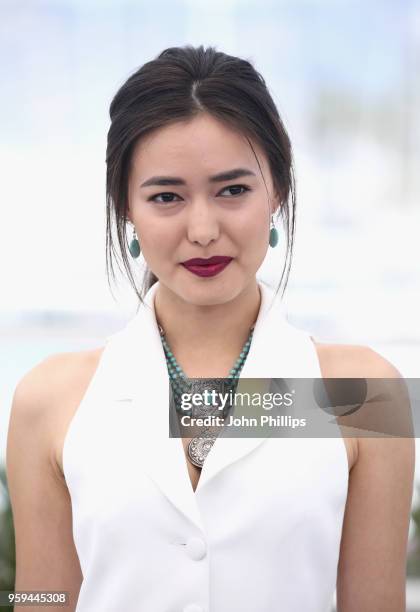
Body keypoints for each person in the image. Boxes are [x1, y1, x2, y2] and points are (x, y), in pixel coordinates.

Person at [6, 45, 415, 612]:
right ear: (126, 206)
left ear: (278, 190)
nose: (202, 229)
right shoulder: (50, 400)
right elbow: (40, 596)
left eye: (232, 190)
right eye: (166, 196)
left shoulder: (362, 394)